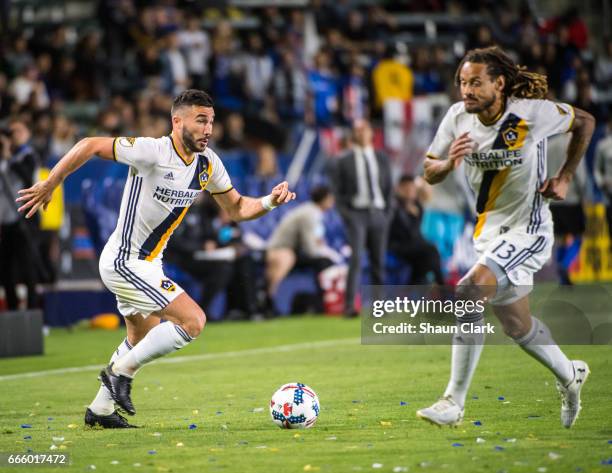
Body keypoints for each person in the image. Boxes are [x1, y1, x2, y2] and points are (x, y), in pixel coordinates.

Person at [16, 89, 296, 428]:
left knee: (140, 338)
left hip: (149, 263)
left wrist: (268, 201)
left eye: (211, 121)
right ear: (177, 122)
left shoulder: (208, 164)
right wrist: (51, 183)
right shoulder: (152, 151)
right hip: (124, 261)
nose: (208, 129)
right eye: (200, 120)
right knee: (193, 321)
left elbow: (236, 208)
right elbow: (89, 144)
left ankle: (100, 411)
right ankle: (121, 373)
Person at [416, 46, 595, 428]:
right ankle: (570, 375)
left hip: (529, 229)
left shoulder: (532, 113)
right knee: (517, 325)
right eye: (463, 83)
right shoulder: (456, 118)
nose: (467, 90)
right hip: (489, 233)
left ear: (499, 83)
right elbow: (429, 171)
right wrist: (449, 162)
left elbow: (585, 122)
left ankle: (453, 403)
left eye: (476, 82)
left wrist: (564, 176)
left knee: (468, 290)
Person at [330, 119, 393, 317]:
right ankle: (349, 305)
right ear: (352, 135)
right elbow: (337, 193)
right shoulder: (343, 160)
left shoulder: (382, 158)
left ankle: (379, 306)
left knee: (378, 261)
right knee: (356, 259)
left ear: (371, 133)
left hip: (378, 212)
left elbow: (389, 188)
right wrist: (347, 215)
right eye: (356, 130)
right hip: (356, 213)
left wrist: (387, 214)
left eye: (363, 129)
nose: (360, 133)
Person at [265, 185, 338, 313]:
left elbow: (317, 240)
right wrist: (330, 254)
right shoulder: (309, 214)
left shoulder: (314, 212)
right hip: (281, 249)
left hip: (295, 250)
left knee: (324, 261)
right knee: (323, 262)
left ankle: (325, 301)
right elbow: (310, 248)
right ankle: (268, 299)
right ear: (325, 199)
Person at [0, 119, 40, 310]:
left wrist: (8, 157)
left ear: (27, 134)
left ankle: (33, 313)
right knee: (6, 270)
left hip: (24, 219)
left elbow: (26, 178)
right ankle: (13, 312)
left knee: (27, 268)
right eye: (11, 132)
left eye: (18, 131)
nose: (13, 136)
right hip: (5, 221)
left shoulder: (28, 155)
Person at [389, 175, 444, 285]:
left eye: (412, 189)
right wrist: (407, 212)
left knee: (425, 261)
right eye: (407, 189)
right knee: (431, 251)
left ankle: (414, 289)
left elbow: (415, 234)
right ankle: (442, 288)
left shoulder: (417, 206)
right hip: (398, 245)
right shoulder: (394, 206)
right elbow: (407, 233)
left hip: (414, 246)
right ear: (400, 189)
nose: (410, 192)